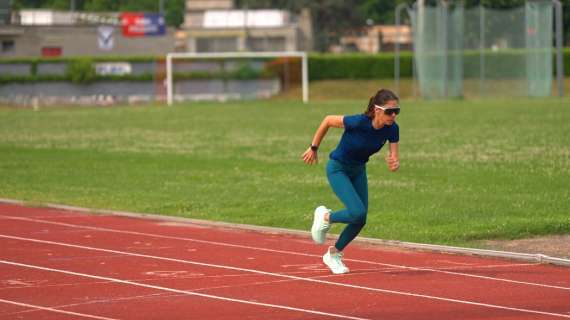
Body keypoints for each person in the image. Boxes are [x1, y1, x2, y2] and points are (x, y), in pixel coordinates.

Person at [301, 89, 400, 274]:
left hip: (358, 171)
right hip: (338, 169)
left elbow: (394, 156)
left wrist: (394, 162)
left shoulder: (393, 129)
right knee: (357, 212)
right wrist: (314, 147)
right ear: (377, 110)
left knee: (360, 218)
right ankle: (325, 217)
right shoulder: (358, 122)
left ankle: (333, 254)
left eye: (397, 111)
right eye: (389, 111)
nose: (393, 115)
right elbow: (328, 120)